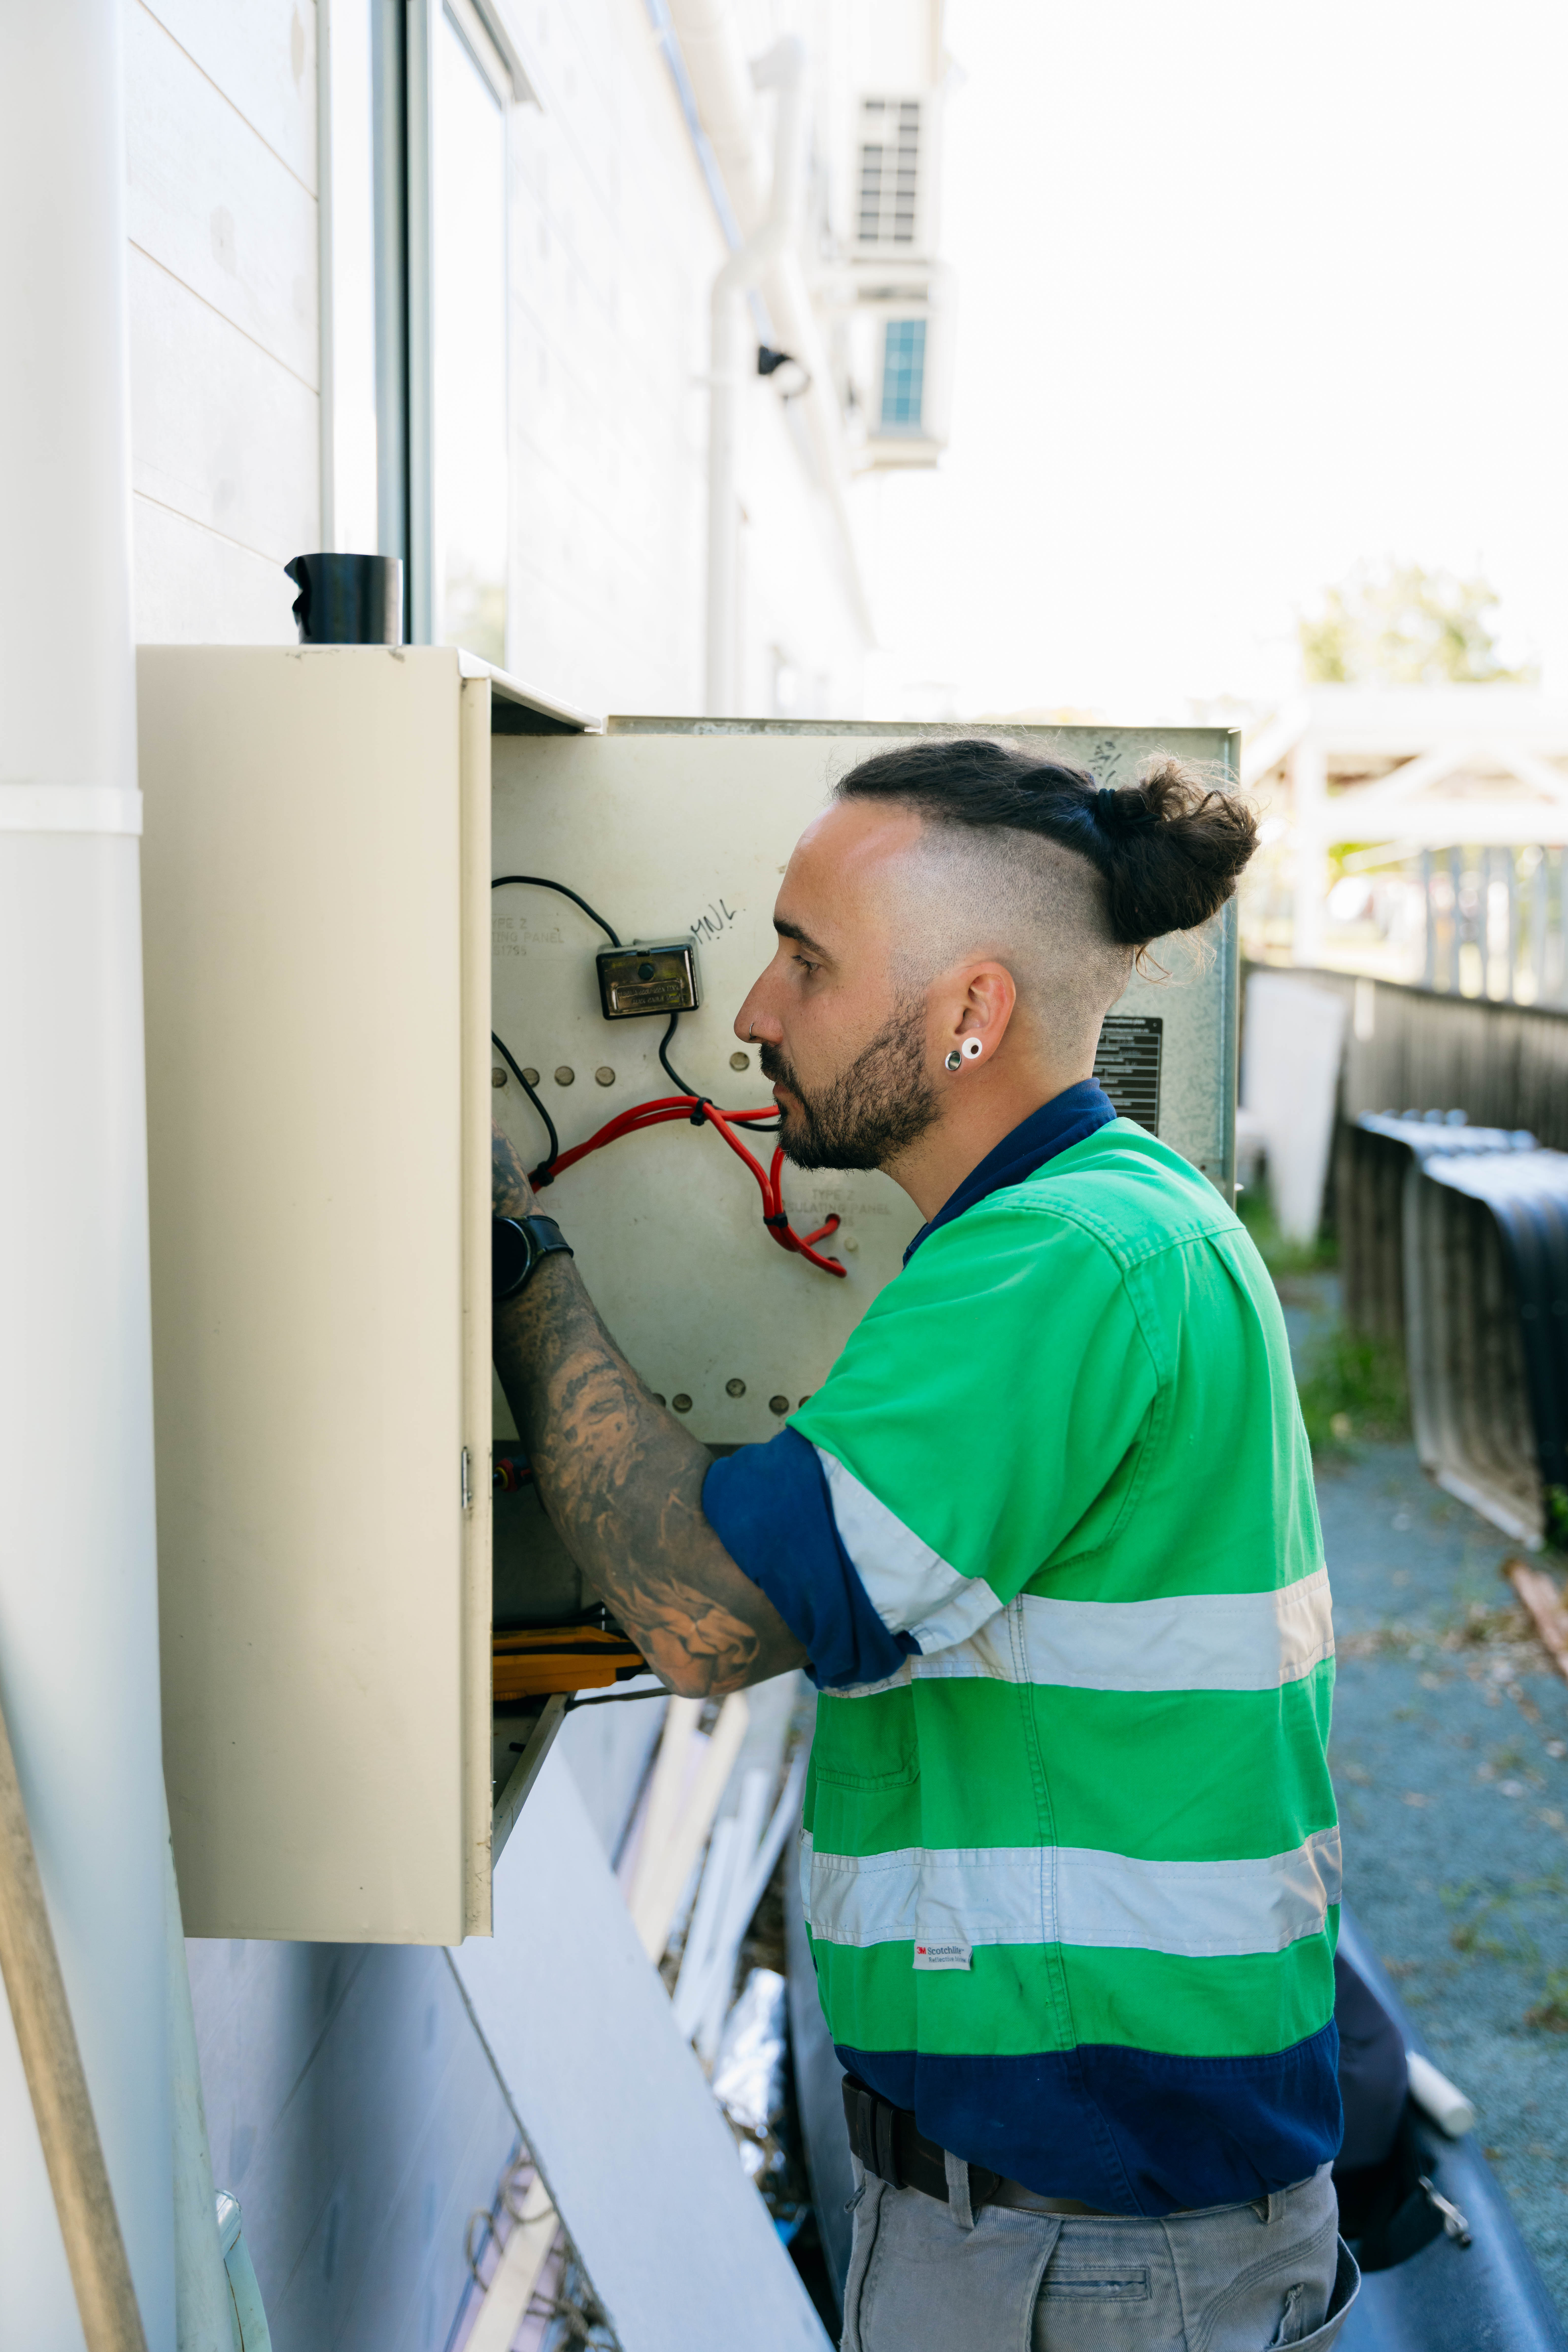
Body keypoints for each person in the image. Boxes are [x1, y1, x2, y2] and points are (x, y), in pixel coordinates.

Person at [490, 737, 1358, 2351]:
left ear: (969, 1010)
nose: (751, 1012)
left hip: (1087, 2250)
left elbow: (706, 1612)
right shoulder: (1114, 1224)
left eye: (805, 962)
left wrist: (515, 1268)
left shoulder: (1059, 1264)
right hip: (1086, 2215)